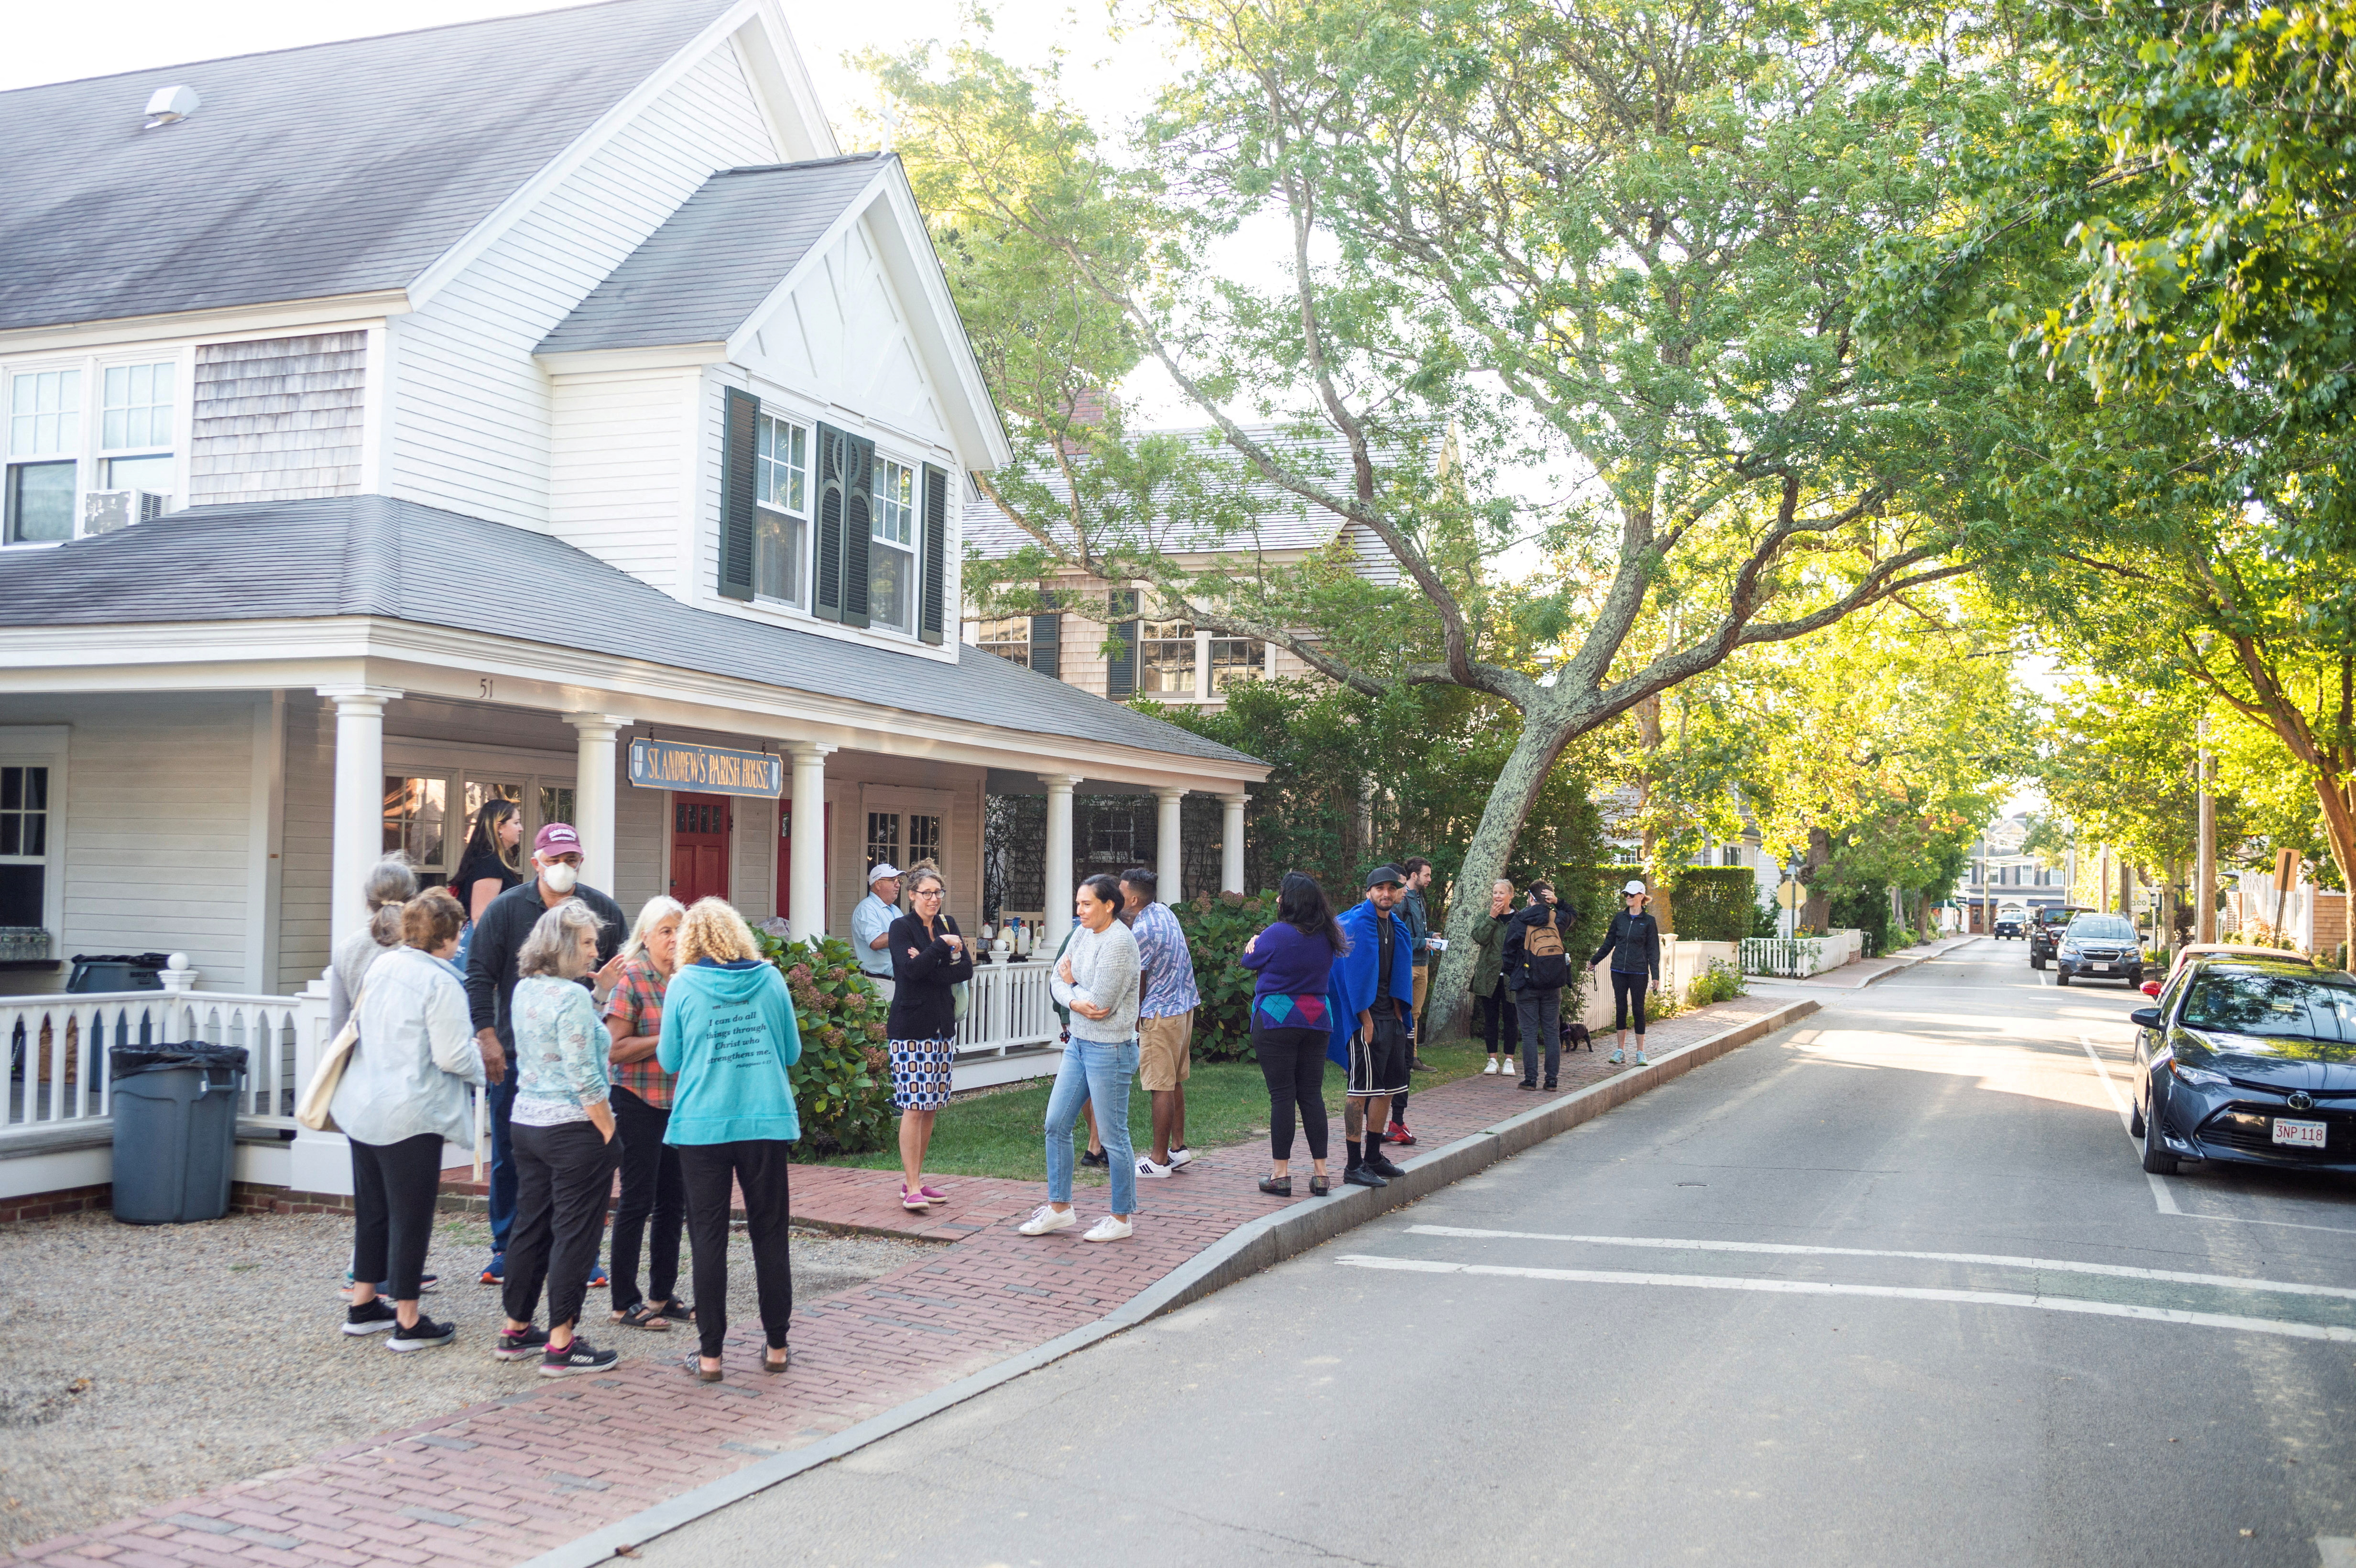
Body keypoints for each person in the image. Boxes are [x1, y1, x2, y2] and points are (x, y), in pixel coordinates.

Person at [465, 822, 626, 1287]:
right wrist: (487, 1036)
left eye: (571, 859)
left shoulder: (603, 910)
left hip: (580, 1058)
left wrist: (611, 1023)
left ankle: (579, 1251)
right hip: (519, 1055)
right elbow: (478, 975)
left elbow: (620, 976)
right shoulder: (506, 909)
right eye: (554, 860)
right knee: (514, 1159)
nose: (562, 868)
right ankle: (507, 1247)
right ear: (535, 862)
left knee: (579, 1162)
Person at [659, 898, 802, 1382]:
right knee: (770, 1232)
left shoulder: (682, 985)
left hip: (702, 1126)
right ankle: (777, 1346)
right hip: (764, 1121)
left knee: (708, 1238)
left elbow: (669, 1058)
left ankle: (711, 1356)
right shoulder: (771, 979)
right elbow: (792, 1050)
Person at [335, 886, 483, 1351]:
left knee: (374, 1210)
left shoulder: (383, 965)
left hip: (363, 1103)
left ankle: (363, 1305)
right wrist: (489, 1070)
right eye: (459, 931)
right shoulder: (442, 982)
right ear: (448, 935)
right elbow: (454, 1054)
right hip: (412, 1111)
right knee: (411, 1215)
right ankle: (408, 1319)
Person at [498, 901, 623, 1377]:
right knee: (575, 1232)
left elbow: (562, 1041)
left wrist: (599, 994)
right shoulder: (568, 997)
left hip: (527, 1121)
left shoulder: (526, 989)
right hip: (573, 1128)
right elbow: (583, 1072)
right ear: (565, 945)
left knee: (531, 1224)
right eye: (589, 943)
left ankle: (516, 1328)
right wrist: (608, 1128)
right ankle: (562, 1341)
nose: (596, 952)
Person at [1021, 874, 1142, 1243]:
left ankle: (1121, 1217)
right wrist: (1074, 998)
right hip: (1079, 1042)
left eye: (1086, 904)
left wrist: (1071, 988)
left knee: (1112, 1136)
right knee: (1055, 1123)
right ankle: (1060, 1209)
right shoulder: (1082, 933)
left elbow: (1101, 1006)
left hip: (1112, 1048)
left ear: (1109, 905)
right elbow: (1056, 977)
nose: (1080, 910)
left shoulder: (1120, 943)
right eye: (1078, 903)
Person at [604, 895, 691, 1332]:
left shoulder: (686, 980)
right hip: (638, 1103)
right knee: (637, 1201)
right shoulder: (633, 978)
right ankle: (624, 1301)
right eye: (665, 931)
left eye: (680, 930)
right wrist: (666, 1040)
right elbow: (614, 1050)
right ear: (646, 937)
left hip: (679, 1106)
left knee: (674, 1203)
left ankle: (662, 1295)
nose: (674, 939)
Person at [1240, 871, 1345, 1196]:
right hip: (1316, 1018)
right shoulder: (1330, 935)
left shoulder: (1276, 934)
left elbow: (1248, 961)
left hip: (1276, 1019)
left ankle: (1281, 1175)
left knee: (1283, 1095)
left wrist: (1250, 945)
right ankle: (1322, 1174)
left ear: (1292, 900)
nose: (1277, 899)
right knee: (1312, 1094)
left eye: (1281, 894)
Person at [887, 866, 972, 1212]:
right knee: (913, 1106)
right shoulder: (900, 928)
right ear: (912, 895)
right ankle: (910, 1187)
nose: (934, 899)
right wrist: (940, 949)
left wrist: (930, 960)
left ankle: (916, 1181)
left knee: (931, 1106)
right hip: (911, 1030)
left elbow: (965, 969)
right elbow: (908, 973)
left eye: (938, 893)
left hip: (942, 1026)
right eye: (927, 893)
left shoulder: (948, 923)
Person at [1326, 865, 1416, 1188]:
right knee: (1359, 1092)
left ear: (1398, 892)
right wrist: (1364, 1021)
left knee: (1388, 1090)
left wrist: (1398, 1016)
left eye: (1392, 889)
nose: (1386, 894)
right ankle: (1353, 1164)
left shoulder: (1397, 926)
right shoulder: (1354, 925)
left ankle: (1374, 1156)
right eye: (1380, 888)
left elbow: (1399, 974)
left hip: (1391, 1019)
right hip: (1364, 1021)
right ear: (1369, 892)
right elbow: (1348, 978)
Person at [1119, 868, 1201, 1180]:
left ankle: (1157, 1161)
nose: (1117, 895)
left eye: (1121, 892)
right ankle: (1178, 1150)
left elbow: (1137, 981)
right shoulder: (1164, 914)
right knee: (1175, 1080)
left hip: (1160, 1013)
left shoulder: (1142, 931)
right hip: (1183, 1007)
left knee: (1159, 1086)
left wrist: (1134, 1020)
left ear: (1134, 899)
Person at [329, 858, 417, 1034]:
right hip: (413, 1055)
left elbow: (339, 1019)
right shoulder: (423, 944)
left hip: (364, 1056)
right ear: (413, 898)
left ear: (368, 902)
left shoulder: (346, 949)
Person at [1505, 879, 1574, 1090]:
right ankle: (1552, 1081)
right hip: (1553, 984)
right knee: (1552, 1032)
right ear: (1548, 899)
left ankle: (1531, 1080)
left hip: (1528, 984)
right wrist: (1558, 902)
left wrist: (1516, 973)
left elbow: (1508, 953)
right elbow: (1573, 913)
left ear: (1530, 898)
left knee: (1529, 1033)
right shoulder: (1558, 919)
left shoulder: (1520, 920)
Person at [1592, 879, 1662, 1066]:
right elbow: (1609, 943)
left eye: (1632, 895)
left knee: (1638, 1009)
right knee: (1621, 1008)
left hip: (1639, 971)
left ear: (1641, 896)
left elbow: (1653, 950)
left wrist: (1655, 975)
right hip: (1618, 970)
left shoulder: (1649, 922)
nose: (1628, 898)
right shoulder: (1619, 919)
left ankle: (1641, 1053)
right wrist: (1594, 961)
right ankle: (1620, 1051)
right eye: (1626, 895)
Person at [451, 798, 525, 964]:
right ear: (499, 827)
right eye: (516, 823)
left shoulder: (489, 858)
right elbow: (480, 917)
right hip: (482, 951)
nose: (521, 828)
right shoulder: (490, 862)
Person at [1470, 878, 1521, 1075]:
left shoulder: (1520, 918)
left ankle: (1509, 1060)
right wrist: (1492, 918)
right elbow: (1479, 938)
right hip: (1488, 975)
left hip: (1511, 976)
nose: (1497, 896)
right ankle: (1492, 1060)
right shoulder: (1485, 916)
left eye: (1501, 893)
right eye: (1495, 893)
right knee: (1490, 1019)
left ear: (1511, 895)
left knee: (1511, 1019)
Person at [852, 864, 903, 999]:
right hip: (880, 985)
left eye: (899, 881)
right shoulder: (867, 908)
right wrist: (908, 932)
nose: (898, 885)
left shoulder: (895, 910)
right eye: (893, 881)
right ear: (878, 884)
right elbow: (876, 942)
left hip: (898, 984)